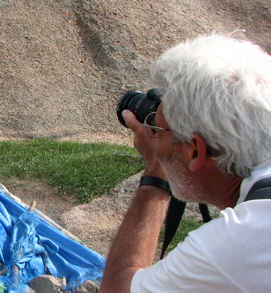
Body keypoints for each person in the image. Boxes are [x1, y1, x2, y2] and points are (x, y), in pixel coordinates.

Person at [99, 34, 271, 293]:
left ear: (195, 152)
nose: (153, 137)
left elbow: (118, 288)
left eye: (159, 128)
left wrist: (155, 172)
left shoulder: (236, 242)